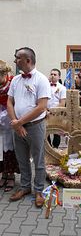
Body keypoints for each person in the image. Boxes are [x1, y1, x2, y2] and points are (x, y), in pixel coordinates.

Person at [7, 47, 51, 207]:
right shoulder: (15, 80)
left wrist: (19, 122)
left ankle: (39, 190)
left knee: (38, 160)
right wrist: (15, 122)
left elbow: (41, 107)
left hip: (35, 127)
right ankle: (25, 187)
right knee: (22, 159)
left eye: (17, 57)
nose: (15, 60)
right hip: (17, 127)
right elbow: (9, 102)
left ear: (28, 60)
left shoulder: (41, 79)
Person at [0, 60, 19, 192]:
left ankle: (11, 175)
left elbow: (16, 101)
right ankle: (3, 174)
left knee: (9, 147)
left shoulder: (13, 82)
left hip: (9, 118)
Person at [47, 68, 66, 148]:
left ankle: (55, 148)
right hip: (45, 112)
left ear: (59, 77)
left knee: (56, 132)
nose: (52, 76)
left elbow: (62, 103)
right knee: (46, 132)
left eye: (55, 75)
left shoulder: (62, 88)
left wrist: (52, 111)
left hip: (57, 113)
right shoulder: (45, 86)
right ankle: (48, 148)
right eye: (51, 74)